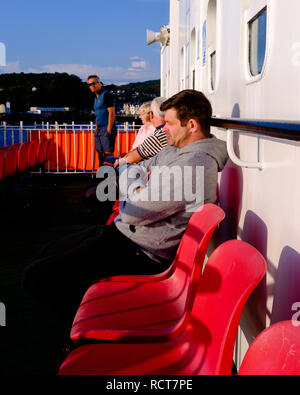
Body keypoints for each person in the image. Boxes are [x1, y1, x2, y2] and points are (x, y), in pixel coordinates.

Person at [23, 89, 228, 317]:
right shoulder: (175, 149)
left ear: (191, 125)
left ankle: (89, 325)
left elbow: (131, 211)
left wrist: (134, 184)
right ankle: (88, 317)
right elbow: (138, 166)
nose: (163, 128)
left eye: (168, 123)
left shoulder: (193, 166)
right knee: (48, 252)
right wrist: (137, 186)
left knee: (36, 277)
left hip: (142, 251)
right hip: (127, 234)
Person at [88, 75, 117, 166]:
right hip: (99, 129)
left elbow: (112, 113)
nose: (92, 86)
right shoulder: (95, 98)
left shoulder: (106, 95)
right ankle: (102, 174)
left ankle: (110, 176)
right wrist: (96, 128)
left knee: (108, 154)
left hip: (106, 128)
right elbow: (98, 114)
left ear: (100, 83)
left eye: (94, 83)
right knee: (100, 153)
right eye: (90, 84)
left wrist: (108, 129)